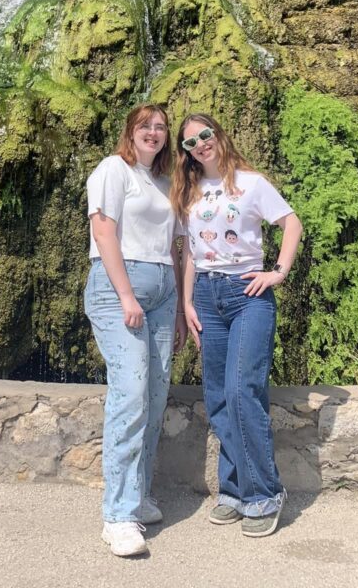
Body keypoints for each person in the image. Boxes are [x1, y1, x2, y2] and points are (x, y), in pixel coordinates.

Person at [171, 113, 302, 538]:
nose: (201, 145)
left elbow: (291, 223)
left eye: (205, 135)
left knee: (242, 390)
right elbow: (190, 251)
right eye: (191, 143)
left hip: (247, 296)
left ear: (218, 135)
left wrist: (277, 272)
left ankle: (264, 493)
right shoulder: (189, 190)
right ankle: (232, 490)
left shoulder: (251, 182)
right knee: (217, 395)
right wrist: (188, 301)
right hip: (207, 299)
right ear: (186, 153)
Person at [84, 103, 187, 558]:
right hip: (117, 289)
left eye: (161, 127)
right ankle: (118, 516)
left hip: (164, 294)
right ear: (131, 131)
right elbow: (104, 231)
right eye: (146, 125)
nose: (154, 132)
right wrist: (126, 295)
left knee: (155, 394)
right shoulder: (113, 169)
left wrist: (182, 311)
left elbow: (177, 247)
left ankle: (139, 496)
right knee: (130, 393)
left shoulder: (166, 182)